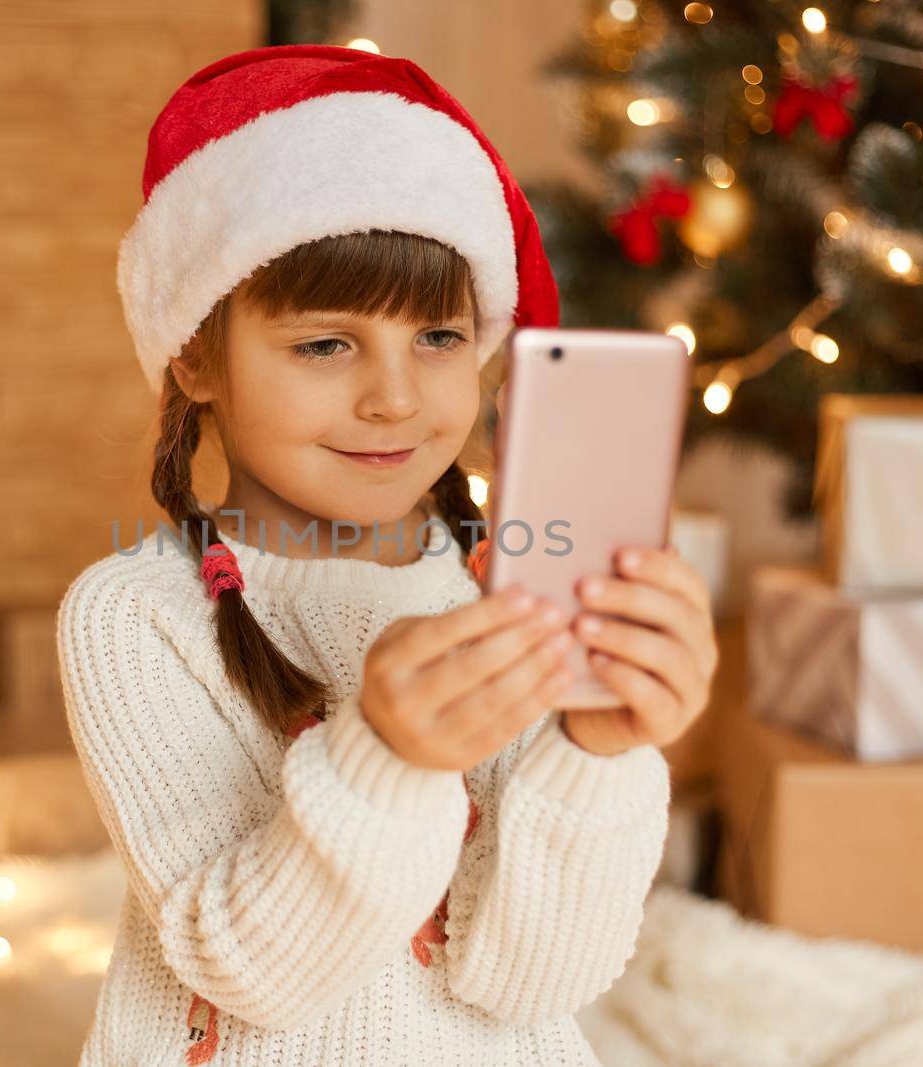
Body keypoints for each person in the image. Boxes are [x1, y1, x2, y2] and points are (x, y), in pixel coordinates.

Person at [55, 43, 719, 1066]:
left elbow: (531, 981)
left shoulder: (517, 589)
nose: (396, 398)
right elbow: (249, 973)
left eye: (439, 339)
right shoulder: (134, 614)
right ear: (194, 354)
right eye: (326, 344)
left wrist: (599, 750)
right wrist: (387, 756)